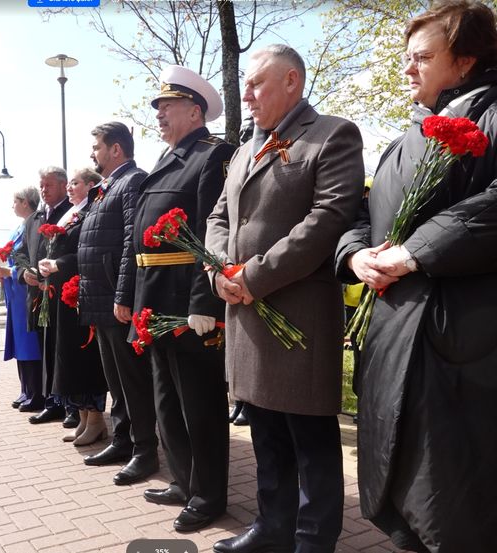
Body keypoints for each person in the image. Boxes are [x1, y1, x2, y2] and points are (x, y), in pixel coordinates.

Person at [335, 2, 497, 551]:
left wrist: (415, 253)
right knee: (411, 510)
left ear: (465, 61)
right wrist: (356, 257)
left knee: (470, 514)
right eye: (407, 58)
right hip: (398, 349)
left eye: (422, 58)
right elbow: (361, 217)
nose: (407, 70)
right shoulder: (403, 137)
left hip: (471, 361)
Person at [206, 44, 364, 553]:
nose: (245, 96)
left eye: (256, 84)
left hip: (297, 318)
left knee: (311, 440)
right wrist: (219, 273)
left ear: (292, 81)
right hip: (247, 313)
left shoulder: (331, 134)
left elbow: (328, 218)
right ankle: (271, 528)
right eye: (245, 86)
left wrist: (254, 275)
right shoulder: (241, 149)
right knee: (266, 432)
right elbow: (216, 219)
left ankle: (313, 540)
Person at [132, 64, 235, 533]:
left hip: (188, 301)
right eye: (157, 108)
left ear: (195, 112)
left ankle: (209, 494)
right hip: (154, 299)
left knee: (201, 404)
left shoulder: (214, 156)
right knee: (167, 400)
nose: (158, 115)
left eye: (166, 107)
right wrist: (131, 300)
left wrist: (204, 304)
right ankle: (182, 480)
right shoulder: (166, 159)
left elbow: (212, 234)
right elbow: (140, 241)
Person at [77, 121, 159, 486]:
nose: (91, 153)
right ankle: (123, 440)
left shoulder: (133, 181)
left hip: (115, 300)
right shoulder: (106, 187)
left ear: (116, 149)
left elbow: (132, 240)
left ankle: (145, 451)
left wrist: (123, 294)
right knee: (116, 381)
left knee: (133, 382)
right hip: (100, 299)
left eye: (96, 146)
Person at [38, 168, 109, 446]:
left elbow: (86, 250)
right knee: (67, 356)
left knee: (83, 357)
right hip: (63, 293)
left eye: (75, 183)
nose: (69, 187)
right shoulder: (73, 212)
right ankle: (82, 416)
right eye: (68, 183)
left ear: (90, 186)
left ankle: (95, 419)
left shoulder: (91, 211)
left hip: (81, 292)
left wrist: (60, 264)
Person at [14, 167, 72, 426]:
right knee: (45, 350)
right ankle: (52, 402)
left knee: (63, 351)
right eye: (41, 185)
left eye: (48, 185)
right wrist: (25, 272)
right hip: (37, 297)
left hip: (63, 295)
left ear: (63, 185)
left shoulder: (72, 213)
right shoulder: (33, 219)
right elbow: (21, 254)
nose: (43, 190)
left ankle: (71, 404)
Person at [0, 187, 45, 413]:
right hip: (15, 292)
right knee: (20, 343)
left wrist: (10, 271)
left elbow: (30, 258)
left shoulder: (33, 225)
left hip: (25, 290)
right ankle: (25, 389)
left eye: (15, 201)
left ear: (26, 202)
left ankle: (36, 391)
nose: (13, 205)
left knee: (29, 343)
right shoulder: (19, 227)